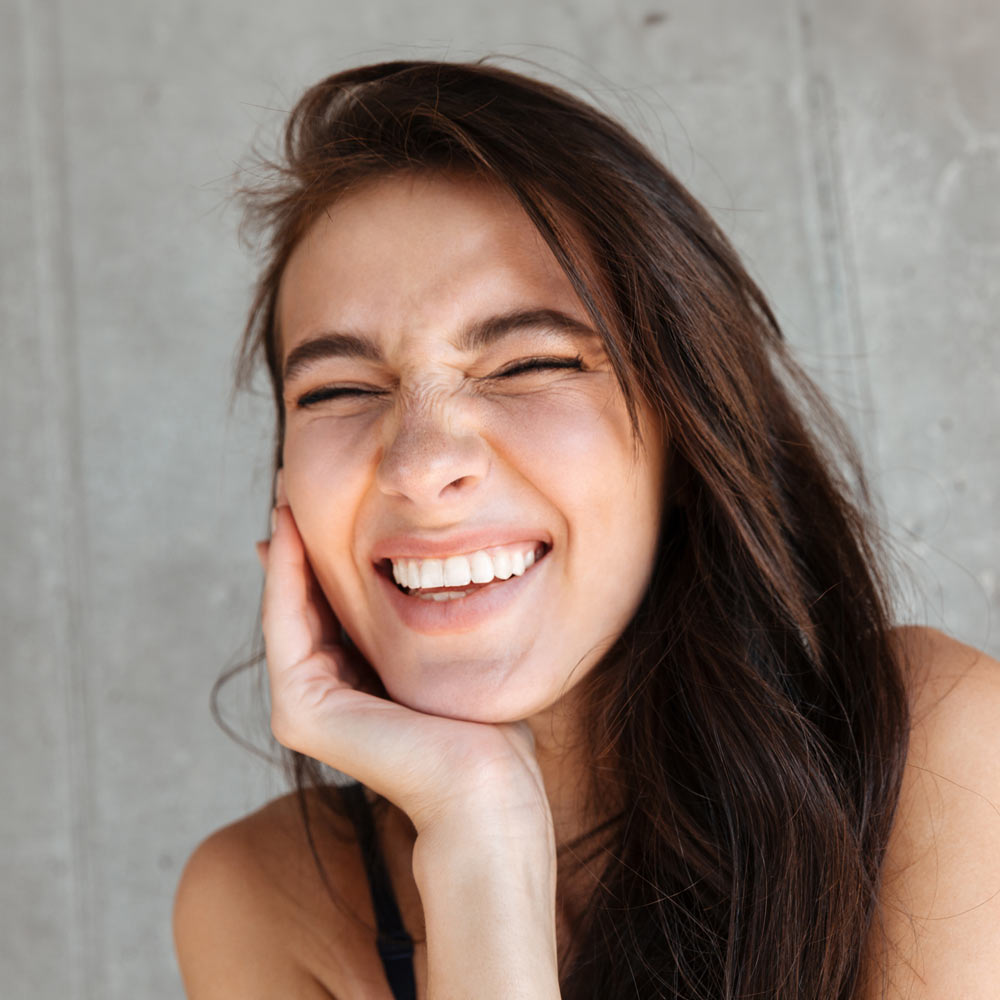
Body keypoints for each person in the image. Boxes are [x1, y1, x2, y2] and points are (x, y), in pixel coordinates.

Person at [172, 59, 1000, 999]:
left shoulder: (936, 752)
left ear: (691, 442)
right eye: (339, 389)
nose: (418, 464)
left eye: (528, 364)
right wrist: (482, 840)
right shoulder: (264, 899)